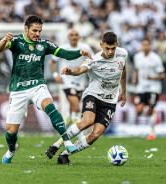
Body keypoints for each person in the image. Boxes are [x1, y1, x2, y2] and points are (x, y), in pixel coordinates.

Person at [0, 15, 93, 164]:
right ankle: (11, 149)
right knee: (11, 131)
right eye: (34, 30)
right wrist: (4, 40)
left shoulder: (44, 44)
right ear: (26, 29)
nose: (37, 34)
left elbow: (64, 53)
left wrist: (80, 52)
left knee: (51, 108)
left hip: (37, 85)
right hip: (19, 89)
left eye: (39, 31)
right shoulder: (16, 41)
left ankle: (67, 142)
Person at [45, 32, 127, 164]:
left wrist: (123, 91)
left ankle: (64, 155)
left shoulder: (123, 53)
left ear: (117, 45)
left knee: (94, 135)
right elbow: (80, 68)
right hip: (92, 95)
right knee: (88, 121)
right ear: (101, 45)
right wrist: (71, 72)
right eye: (107, 48)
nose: (110, 52)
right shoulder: (95, 59)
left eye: (113, 48)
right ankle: (56, 145)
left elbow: (123, 70)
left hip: (110, 101)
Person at [49, 29, 94, 138]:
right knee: (77, 108)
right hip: (67, 82)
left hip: (80, 82)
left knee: (73, 109)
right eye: (71, 35)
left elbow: (93, 60)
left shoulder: (85, 48)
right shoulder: (64, 48)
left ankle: (64, 126)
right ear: (68, 37)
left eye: (76, 35)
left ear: (79, 37)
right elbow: (52, 62)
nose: (74, 37)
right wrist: (56, 75)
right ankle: (81, 135)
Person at [131, 38, 166, 140]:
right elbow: (136, 69)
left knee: (150, 109)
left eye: (147, 45)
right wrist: (134, 79)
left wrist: (153, 78)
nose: (145, 47)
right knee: (139, 110)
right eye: (143, 45)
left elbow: (163, 75)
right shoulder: (137, 57)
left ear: (150, 46)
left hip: (153, 87)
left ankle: (152, 132)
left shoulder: (155, 58)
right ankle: (153, 115)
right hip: (141, 87)